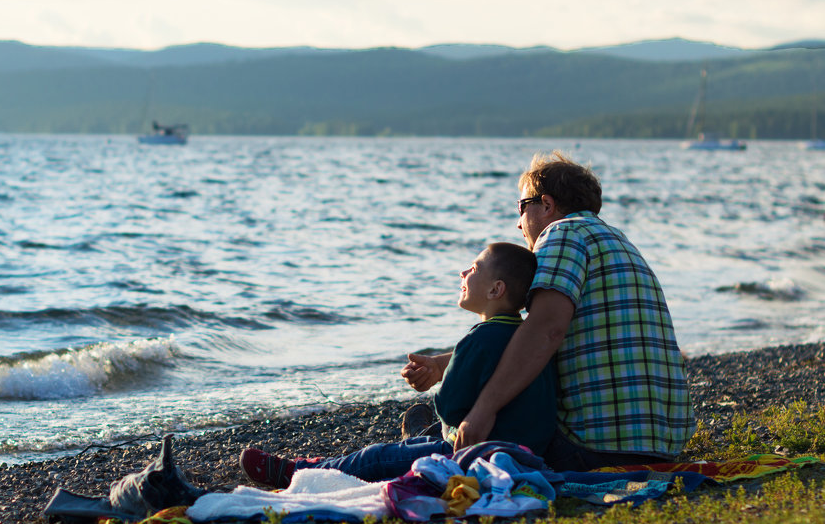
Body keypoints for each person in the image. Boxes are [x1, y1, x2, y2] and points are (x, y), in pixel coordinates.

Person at [427, 151, 694, 471]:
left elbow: (544, 331)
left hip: (595, 445)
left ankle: (429, 441)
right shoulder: (616, 240)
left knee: (465, 429)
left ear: (547, 205)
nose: (518, 223)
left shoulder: (561, 233)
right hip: (661, 444)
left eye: (521, 207)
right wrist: (443, 364)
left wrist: (483, 409)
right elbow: (518, 338)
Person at [241, 242, 557, 488]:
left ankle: (300, 472)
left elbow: (448, 407)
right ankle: (357, 455)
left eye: (473, 268)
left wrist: (446, 386)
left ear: (495, 290)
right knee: (419, 443)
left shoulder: (479, 338)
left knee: (377, 458)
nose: (463, 273)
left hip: (475, 456)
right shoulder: (524, 338)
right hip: (527, 452)